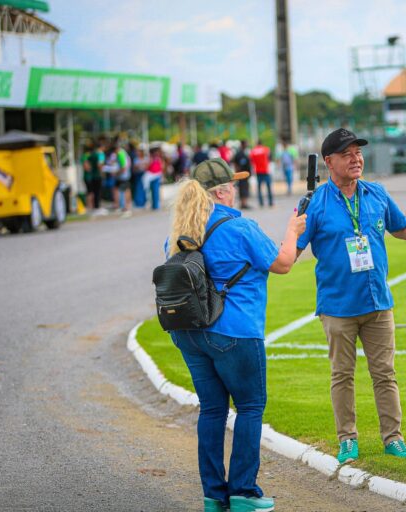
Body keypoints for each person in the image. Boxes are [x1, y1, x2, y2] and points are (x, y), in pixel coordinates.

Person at [166, 158, 306, 512]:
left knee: (212, 410)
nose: (238, 190)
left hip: (190, 333)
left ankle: (214, 494)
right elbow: (283, 263)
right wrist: (292, 231)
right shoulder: (240, 227)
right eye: (235, 185)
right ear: (224, 191)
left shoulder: (180, 231)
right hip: (235, 331)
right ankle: (244, 490)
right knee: (249, 407)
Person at [296, 128, 406, 464]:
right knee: (342, 375)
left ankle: (394, 439)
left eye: (358, 152)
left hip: (378, 303)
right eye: (347, 154)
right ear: (328, 162)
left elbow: (401, 228)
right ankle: (347, 439)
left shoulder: (377, 193)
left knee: (385, 374)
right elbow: (292, 248)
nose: (356, 159)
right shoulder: (316, 203)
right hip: (338, 306)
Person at [250, 140, 273, 207]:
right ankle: (270, 202)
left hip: (258, 171)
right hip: (265, 170)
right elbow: (269, 158)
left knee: (259, 187)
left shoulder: (253, 151)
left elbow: (252, 161)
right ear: (262, 144)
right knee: (268, 186)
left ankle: (261, 203)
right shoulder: (266, 149)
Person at [233, 140, 252, 209]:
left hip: (245, 175)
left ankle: (244, 203)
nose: (247, 145)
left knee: (244, 189)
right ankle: (243, 204)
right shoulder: (240, 154)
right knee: (243, 189)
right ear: (242, 145)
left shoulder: (244, 153)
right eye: (246, 144)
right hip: (242, 175)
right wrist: (238, 173)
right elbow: (235, 163)